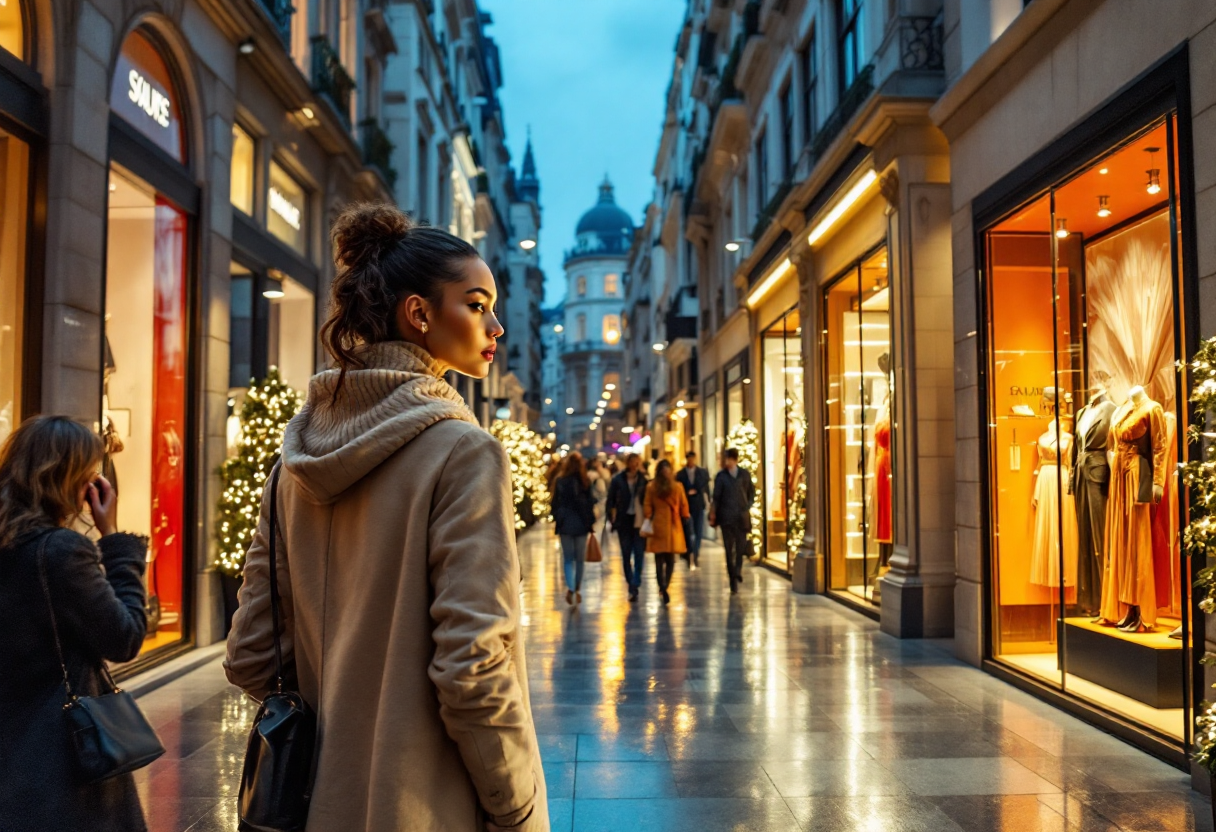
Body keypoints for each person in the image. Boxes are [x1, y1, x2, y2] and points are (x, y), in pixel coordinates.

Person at [226, 204, 549, 832]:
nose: (497, 326)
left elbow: (249, 653)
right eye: (477, 304)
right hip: (428, 803)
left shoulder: (295, 457)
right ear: (420, 313)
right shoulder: (463, 452)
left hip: (316, 799)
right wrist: (516, 805)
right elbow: (471, 665)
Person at [0, 416, 149, 832]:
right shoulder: (61, 553)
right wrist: (116, 541)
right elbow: (125, 636)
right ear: (71, 479)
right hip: (60, 763)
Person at [644, 460, 691, 605]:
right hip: (673, 525)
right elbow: (684, 506)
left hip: (658, 525)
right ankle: (665, 587)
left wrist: (648, 516)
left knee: (659, 560)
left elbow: (647, 506)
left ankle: (662, 586)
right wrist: (685, 517)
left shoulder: (652, 487)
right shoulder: (677, 487)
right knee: (670, 560)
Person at [710, 448, 756, 594]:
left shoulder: (744, 474)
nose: (726, 461)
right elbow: (716, 497)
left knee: (741, 547)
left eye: (728, 459)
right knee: (729, 550)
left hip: (741, 518)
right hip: (726, 518)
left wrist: (746, 506)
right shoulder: (721, 476)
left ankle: (737, 570)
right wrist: (714, 514)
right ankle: (732, 579)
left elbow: (751, 492)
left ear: (734, 459)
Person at [552, 452, 595, 606]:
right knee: (580, 559)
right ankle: (577, 587)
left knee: (568, 559)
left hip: (565, 523)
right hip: (581, 523)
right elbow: (590, 503)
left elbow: (555, 503)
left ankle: (570, 587)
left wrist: (558, 516)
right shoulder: (585, 482)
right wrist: (590, 522)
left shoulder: (560, 481)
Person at [607, 453, 649, 602]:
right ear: (627, 463)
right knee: (625, 554)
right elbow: (610, 500)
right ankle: (631, 584)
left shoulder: (643, 480)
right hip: (624, 521)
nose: (635, 465)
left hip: (639, 521)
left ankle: (635, 582)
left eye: (637, 462)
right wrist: (612, 518)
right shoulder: (618, 480)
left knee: (639, 553)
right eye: (632, 462)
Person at [676, 450, 710, 570]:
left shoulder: (702, 473)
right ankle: (689, 552)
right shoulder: (680, 474)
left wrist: (708, 502)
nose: (691, 461)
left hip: (698, 505)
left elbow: (706, 488)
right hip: (686, 506)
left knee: (698, 531)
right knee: (687, 531)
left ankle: (695, 553)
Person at [587, 457, 609, 537]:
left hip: (592, 503)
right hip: (599, 504)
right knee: (598, 528)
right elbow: (602, 490)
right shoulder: (598, 477)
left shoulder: (586, 475)